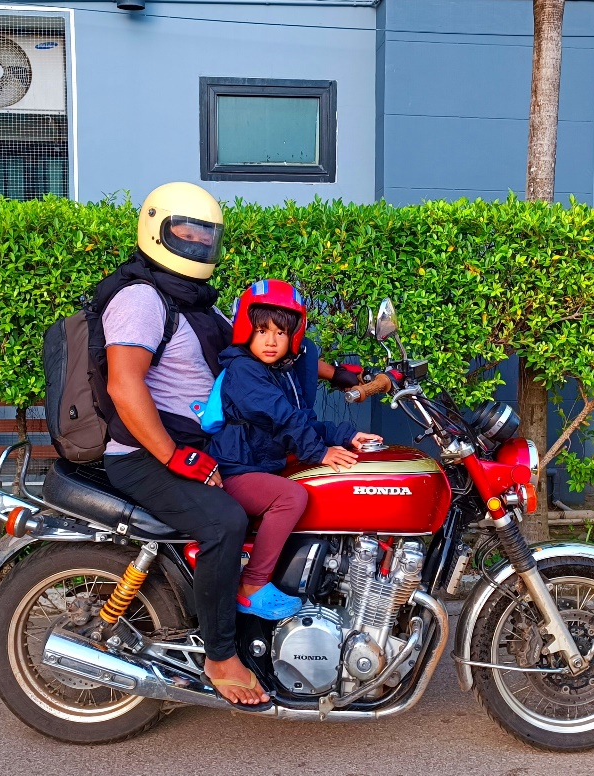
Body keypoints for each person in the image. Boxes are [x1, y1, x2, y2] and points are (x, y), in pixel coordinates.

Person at [96, 182, 268, 707]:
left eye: (205, 236)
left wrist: (340, 375)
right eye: (185, 233)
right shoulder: (141, 299)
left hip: (198, 449)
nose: (196, 244)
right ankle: (220, 655)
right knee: (224, 522)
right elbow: (124, 385)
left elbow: (259, 350)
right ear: (157, 230)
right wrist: (175, 456)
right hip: (144, 456)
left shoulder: (197, 304)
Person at [207, 280, 382, 619]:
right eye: (262, 331)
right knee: (291, 497)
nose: (271, 341)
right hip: (235, 469)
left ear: (294, 336)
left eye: (281, 333)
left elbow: (301, 419)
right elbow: (281, 417)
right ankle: (252, 585)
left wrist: (347, 435)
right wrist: (320, 452)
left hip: (258, 462)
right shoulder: (244, 371)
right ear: (246, 330)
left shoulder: (276, 371)